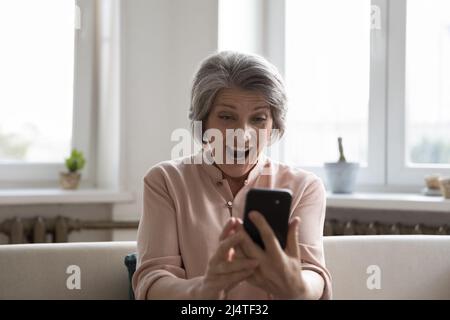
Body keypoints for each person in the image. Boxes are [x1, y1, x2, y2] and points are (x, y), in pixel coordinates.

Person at [132, 51, 332, 300]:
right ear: (203, 122)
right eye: (227, 117)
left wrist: (297, 288)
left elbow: (313, 274)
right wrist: (205, 290)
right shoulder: (165, 181)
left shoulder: (304, 187)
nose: (243, 134)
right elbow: (153, 282)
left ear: (273, 127)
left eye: (258, 119)